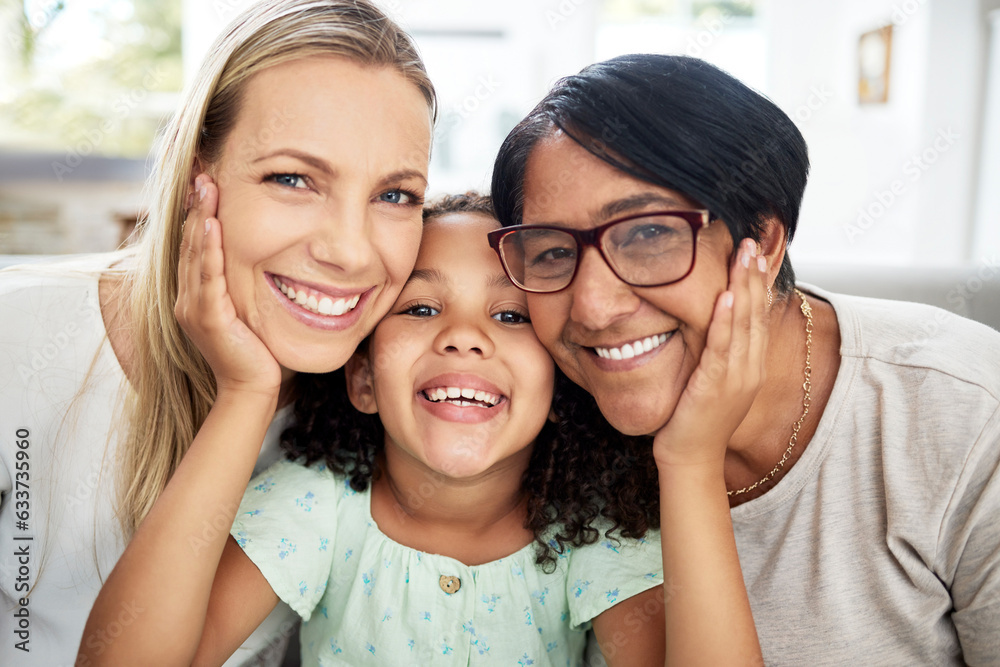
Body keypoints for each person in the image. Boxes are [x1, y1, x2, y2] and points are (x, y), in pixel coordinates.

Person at [489, 53, 1000, 665]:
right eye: (550, 251)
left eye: (649, 234)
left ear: (765, 237)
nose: (594, 308)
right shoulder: (543, 425)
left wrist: (686, 459)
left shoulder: (965, 414)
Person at [82, 193, 729, 665]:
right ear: (361, 377)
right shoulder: (315, 506)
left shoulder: (594, 534)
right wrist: (246, 392)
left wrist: (691, 462)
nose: (465, 338)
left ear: (560, 389)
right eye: (421, 307)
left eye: (509, 316)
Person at [0, 1, 435, 665]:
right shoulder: (20, 334)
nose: (351, 251)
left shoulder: (398, 397)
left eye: (396, 195)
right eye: (293, 179)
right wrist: (247, 391)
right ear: (198, 175)